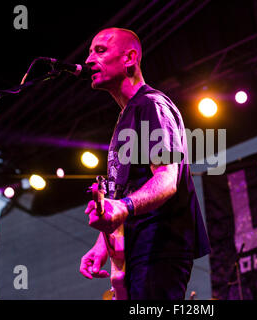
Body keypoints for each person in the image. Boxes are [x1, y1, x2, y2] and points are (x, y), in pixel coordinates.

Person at [79, 27, 211, 300]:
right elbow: (120, 195)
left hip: (160, 246)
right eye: (90, 52)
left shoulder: (151, 105)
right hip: (140, 250)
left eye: (100, 51)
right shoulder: (126, 117)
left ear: (129, 58)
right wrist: (101, 246)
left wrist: (124, 206)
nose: (89, 60)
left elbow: (166, 179)